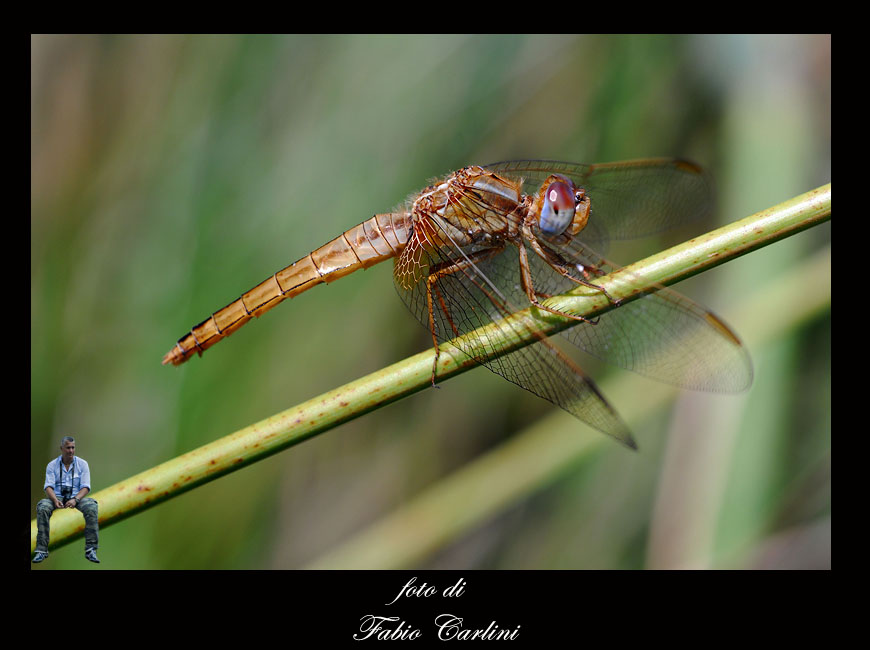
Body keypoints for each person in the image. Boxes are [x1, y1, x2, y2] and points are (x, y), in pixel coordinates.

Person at [32, 436, 100, 564]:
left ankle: (91, 549)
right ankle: (41, 550)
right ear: (61, 449)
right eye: (68, 448)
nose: (71, 450)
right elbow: (48, 487)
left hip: (76, 497)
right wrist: (54, 500)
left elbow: (86, 487)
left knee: (92, 506)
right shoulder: (52, 465)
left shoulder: (82, 464)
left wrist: (76, 499)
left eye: (73, 447)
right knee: (42, 506)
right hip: (56, 497)